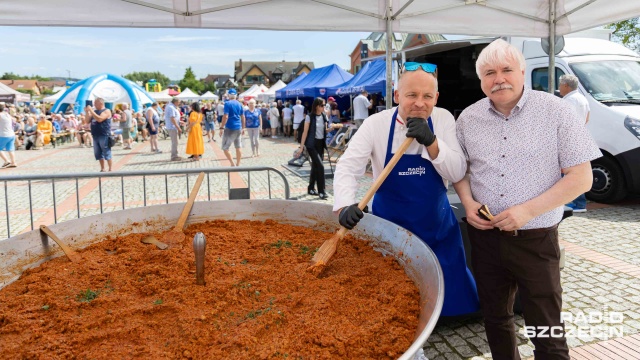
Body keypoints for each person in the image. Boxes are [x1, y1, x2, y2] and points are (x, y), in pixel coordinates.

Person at [454, 39, 602, 360]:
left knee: (546, 328)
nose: (499, 79)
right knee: (495, 319)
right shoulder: (467, 118)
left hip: (536, 240)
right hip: (485, 238)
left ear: (522, 72)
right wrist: (467, 202)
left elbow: (581, 177)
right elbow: (460, 171)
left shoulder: (556, 111)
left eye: (507, 70)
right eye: (489, 72)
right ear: (481, 80)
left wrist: (527, 211)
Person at [333, 62, 480, 318]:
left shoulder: (443, 119)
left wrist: (432, 143)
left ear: (436, 97)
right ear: (397, 95)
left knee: (448, 284)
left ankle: (448, 315)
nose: (420, 103)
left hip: (436, 223)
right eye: (412, 95)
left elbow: (457, 171)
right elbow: (348, 166)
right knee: (395, 289)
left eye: (427, 96)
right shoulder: (375, 124)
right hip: (391, 225)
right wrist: (345, 203)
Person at [559, 74, 591, 213]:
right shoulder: (582, 98)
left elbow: (565, 122)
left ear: (566, 86)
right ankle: (578, 203)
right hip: (579, 138)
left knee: (567, 173)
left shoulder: (569, 100)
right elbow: (587, 118)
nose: (559, 88)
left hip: (569, 141)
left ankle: (575, 203)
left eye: (560, 85)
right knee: (577, 172)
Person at [296, 98, 334, 200]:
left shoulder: (324, 116)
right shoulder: (309, 117)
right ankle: (322, 192)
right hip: (311, 145)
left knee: (315, 166)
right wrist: (301, 147)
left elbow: (325, 130)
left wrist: (331, 128)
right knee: (320, 167)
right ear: (317, 106)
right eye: (322, 105)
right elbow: (305, 132)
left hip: (320, 144)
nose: (324, 107)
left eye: (324, 105)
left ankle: (311, 188)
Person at [85, 97, 114, 172]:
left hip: (104, 134)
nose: (94, 104)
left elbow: (100, 119)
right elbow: (87, 121)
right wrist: (87, 112)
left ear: (101, 103)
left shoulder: (106, 111)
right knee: (98, 153)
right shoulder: (94, 111)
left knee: (106, 151)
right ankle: (102, 168)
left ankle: (110, 168)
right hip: (95, 134)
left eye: (95, 103)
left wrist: (91, 110)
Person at [219, 88, 245, 166]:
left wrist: (221, 127)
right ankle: (238, 164)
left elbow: (225, 116)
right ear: (236, 95)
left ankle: (232, 163)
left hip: (230, 127)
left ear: (229, 95)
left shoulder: (227, 103)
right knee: (238, 146)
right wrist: (243, 127)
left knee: (225, 147)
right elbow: (243, 116)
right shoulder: (240, 104)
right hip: (238, 127)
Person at [0, 103, 18, 168]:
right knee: (10, 149)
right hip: (11, 134)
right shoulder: (7, 114)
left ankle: (6, 160)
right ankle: (13, 162)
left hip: (3, 135)